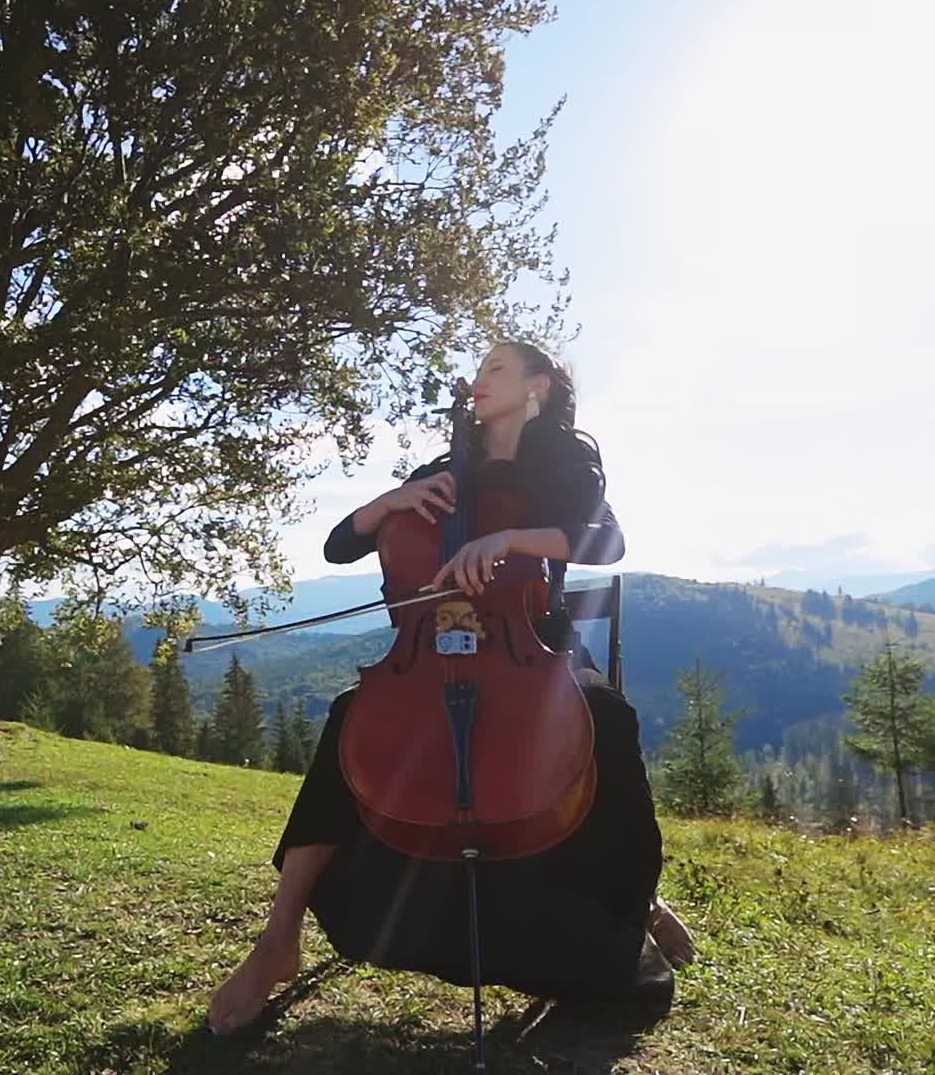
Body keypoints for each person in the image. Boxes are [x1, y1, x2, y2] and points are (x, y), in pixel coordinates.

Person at [208, 341, 692, 1037]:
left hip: (535, 645)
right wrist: (390, 501)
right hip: (429, 650)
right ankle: (277, 937)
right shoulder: (443, 472)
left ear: (539, 386)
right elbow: (340, 547)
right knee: (352, 720)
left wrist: (513, 541)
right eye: (478, 369)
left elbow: (604, 543)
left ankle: (636, 903)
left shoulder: (564, 463)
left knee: (606, 720)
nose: (478, 380)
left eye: (497, 368)